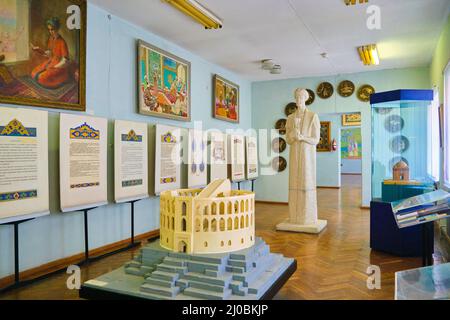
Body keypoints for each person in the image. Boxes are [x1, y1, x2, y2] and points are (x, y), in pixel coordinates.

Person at [30, 17, 70, 89]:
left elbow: (65, 61)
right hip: (50, 62)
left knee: (42, 78)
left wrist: (54, 67)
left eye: (52, 29)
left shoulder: (62, 42)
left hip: (59, 66)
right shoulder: (51, 39)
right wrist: (38, 50)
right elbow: (49, 54)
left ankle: (61, 78)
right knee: (33, 73)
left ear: (57, 29)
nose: (50, 31)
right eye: (49, 29)